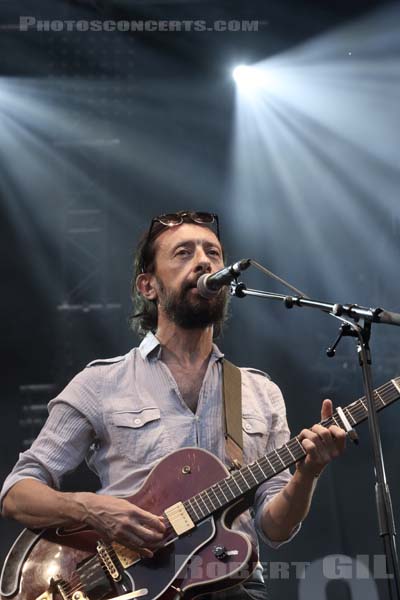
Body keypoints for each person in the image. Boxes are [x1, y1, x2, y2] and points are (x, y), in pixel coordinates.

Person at [1, 211, 346, 600]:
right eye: (183, 253)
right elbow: (17, 493)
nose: (204, 261)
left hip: (236, 584)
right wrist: (92, 509)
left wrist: (309, 473)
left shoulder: (260, 392)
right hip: (131, 588)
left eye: (212, 253)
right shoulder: (100, 383)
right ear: (148, 286)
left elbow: (275, 529)